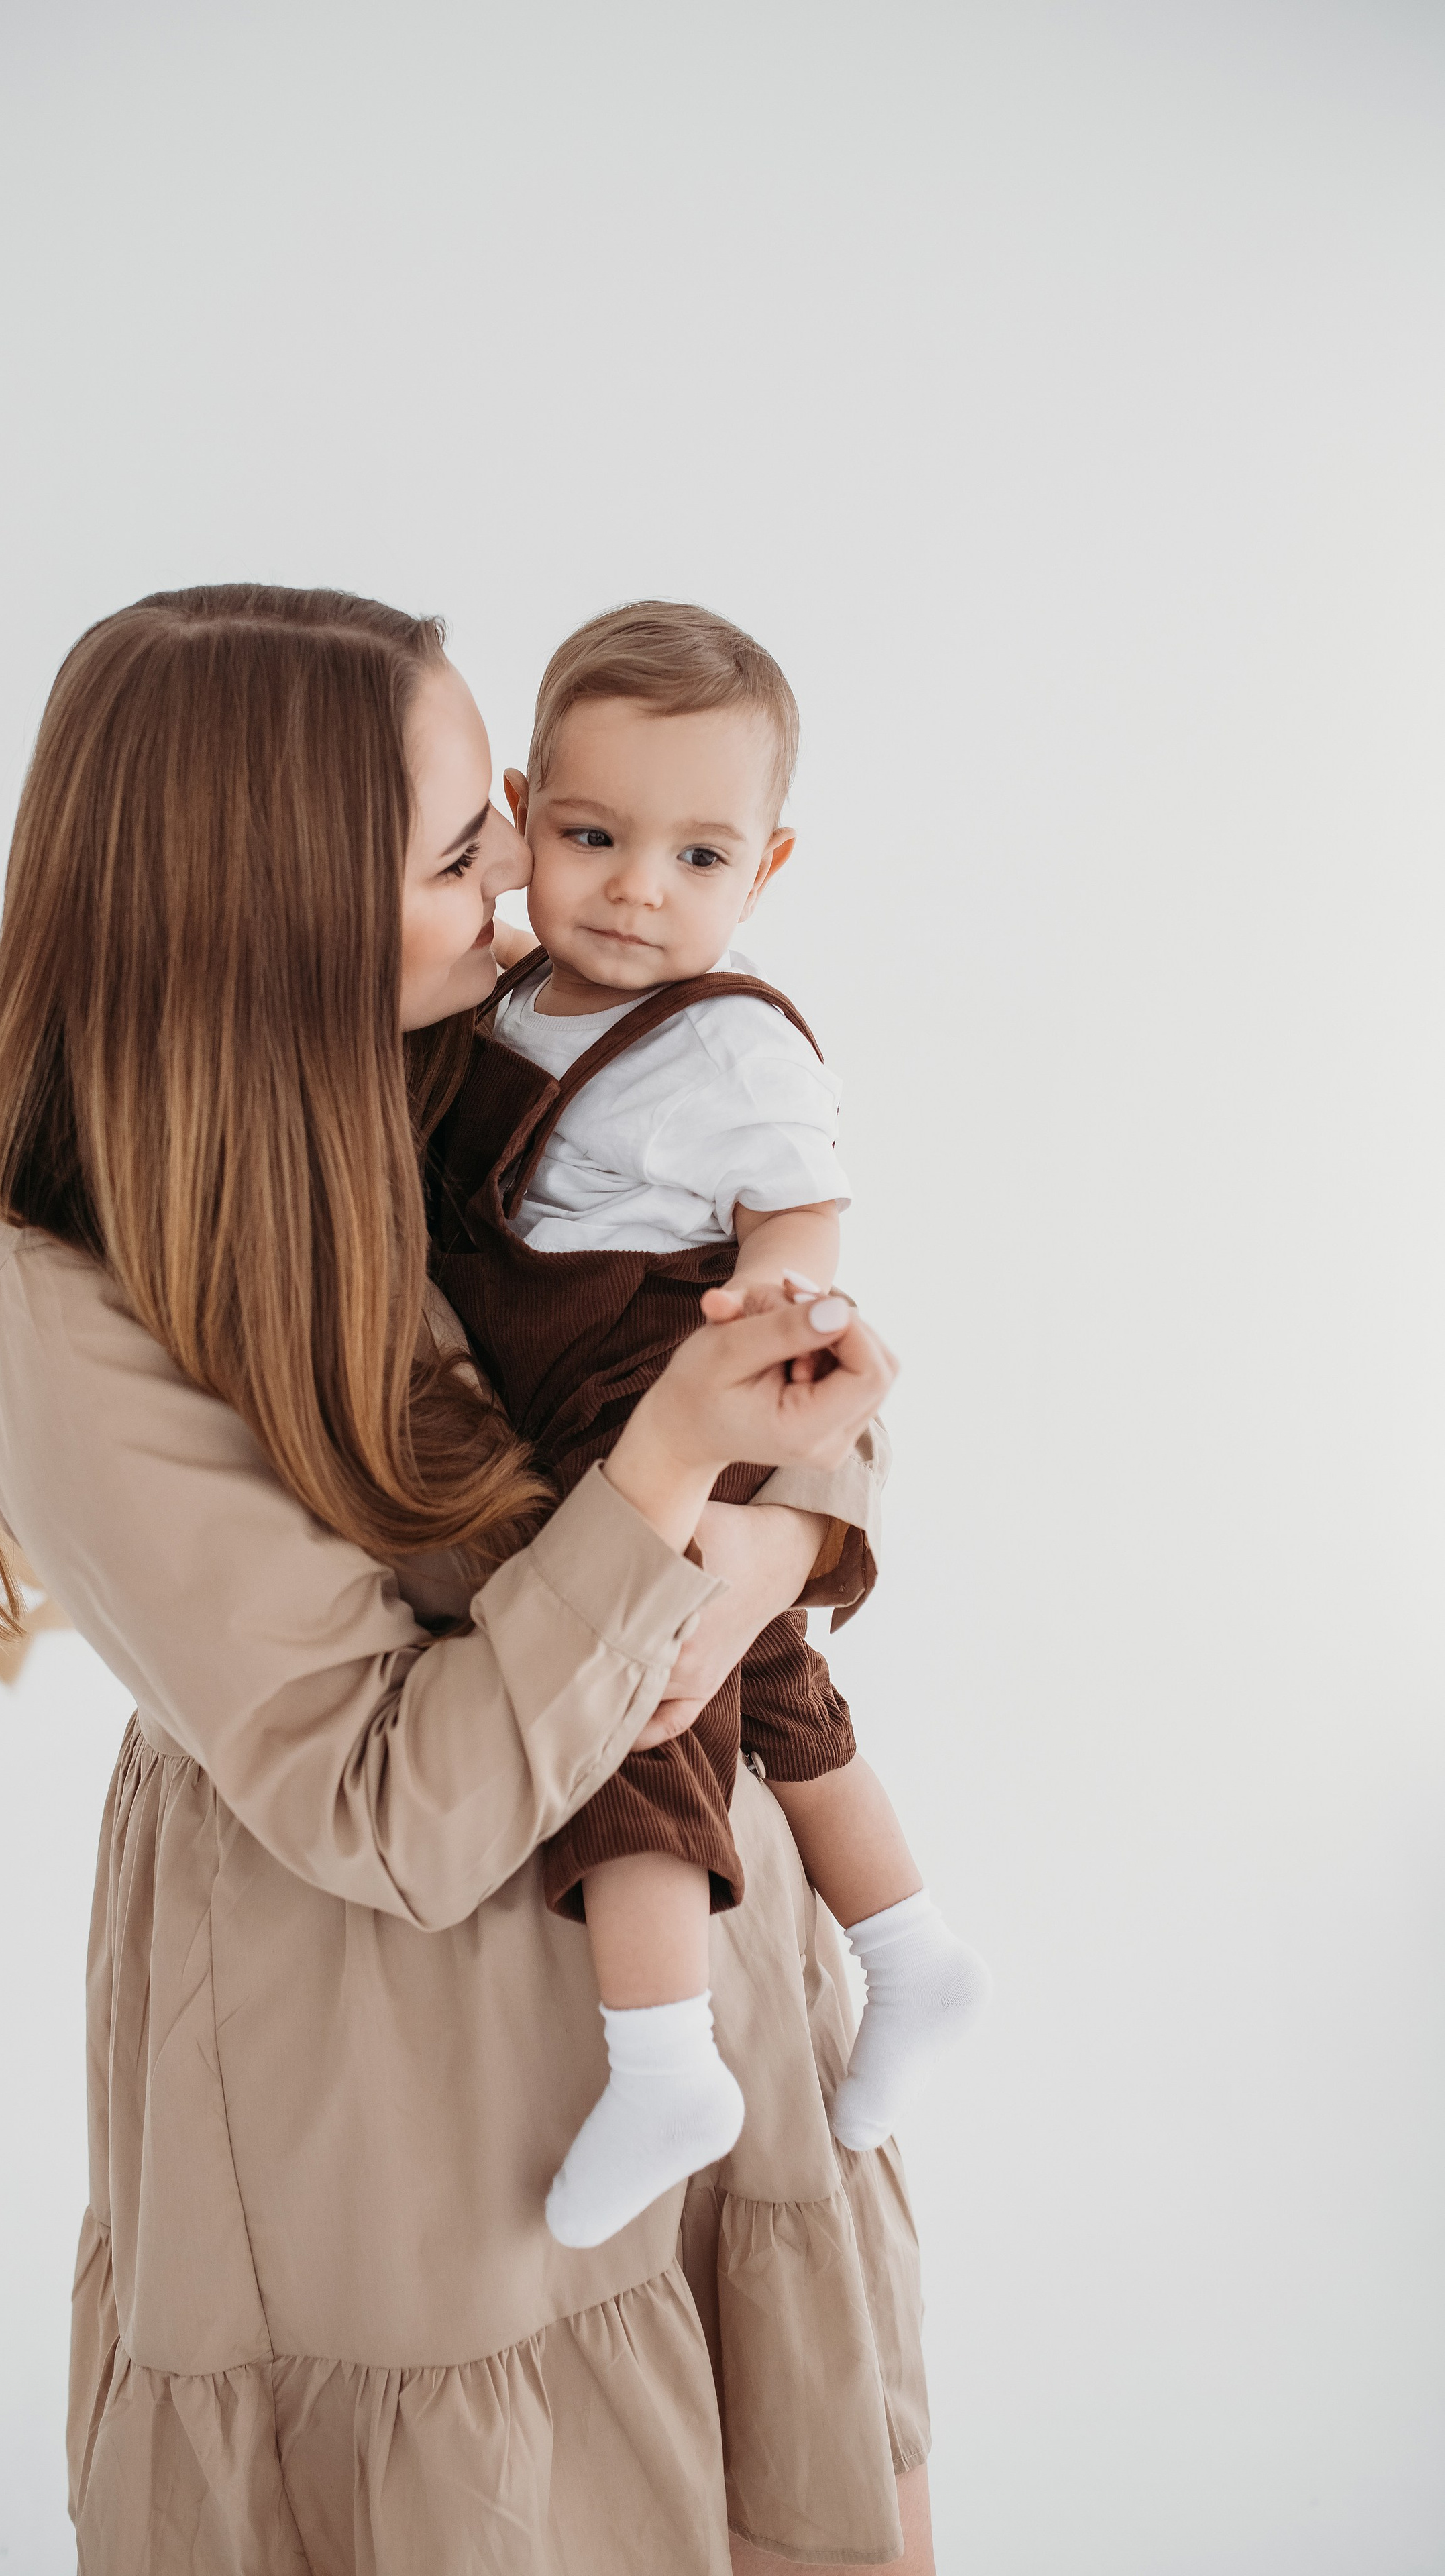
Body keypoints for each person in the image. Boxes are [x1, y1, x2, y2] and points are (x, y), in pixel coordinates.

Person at [0, 584, 936, 2573]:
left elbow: (788, 1341)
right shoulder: (75, 1312)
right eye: (466, 847)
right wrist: (674, 1485)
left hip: (720, 2022)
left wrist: (775, 1537)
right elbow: (396, 1807)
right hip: (414, 2128)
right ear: (275, 905)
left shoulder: (484, 1069)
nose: (526, 896)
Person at [431, 601, 989, 2252]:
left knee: (639, 1696)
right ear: (520, 811)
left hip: (657, 1383)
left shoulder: (729, 1038)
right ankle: (906, 1948)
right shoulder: (505, 989)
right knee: (761, 1675)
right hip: (569, 1391)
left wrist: (766, 1320)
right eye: (593, 836)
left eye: (696, 856)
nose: (633, 890)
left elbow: (801, 1214)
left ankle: (661, 2051)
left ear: (769, 864)